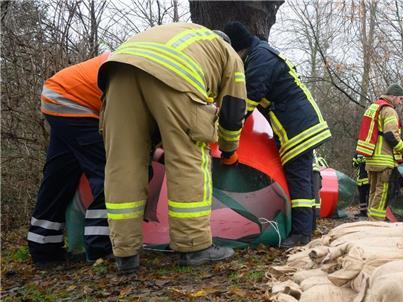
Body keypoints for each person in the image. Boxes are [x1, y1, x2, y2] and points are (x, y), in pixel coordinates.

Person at [98, 22, 247, 273]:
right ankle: (195, 246)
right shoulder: (228, 52)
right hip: (174, 73)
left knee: (122, 162)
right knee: (188, 158)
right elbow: (233, 108)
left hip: (117, 72)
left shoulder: (182, 33)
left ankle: (125, 253)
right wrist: (229, 147)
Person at [223, 21, 331, 249]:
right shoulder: (262, 53)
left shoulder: (260, 58)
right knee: (303, 177)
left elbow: (249, 99)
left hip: (297, 125)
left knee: (298, 178)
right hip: (299, 123)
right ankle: (306, 228)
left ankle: (300, 235)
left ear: (237, 49)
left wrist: (227, 131)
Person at [28, 53, 112, 267]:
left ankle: (43, 249)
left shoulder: (138, 58)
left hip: (57, 95)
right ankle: (100, 250)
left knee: (59, 176)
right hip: (74, 102)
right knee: (110, 173)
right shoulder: (146, 71)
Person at [355, 84, 403, 221]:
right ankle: (376, 223)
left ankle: (370, 220)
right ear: (392, 97)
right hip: (384, 160)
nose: (400, 102)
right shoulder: (389, 110)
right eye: (400, 98)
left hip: (371, 159)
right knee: (382, 193)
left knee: (374, 192)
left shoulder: (373, 107)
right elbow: (391, 135)